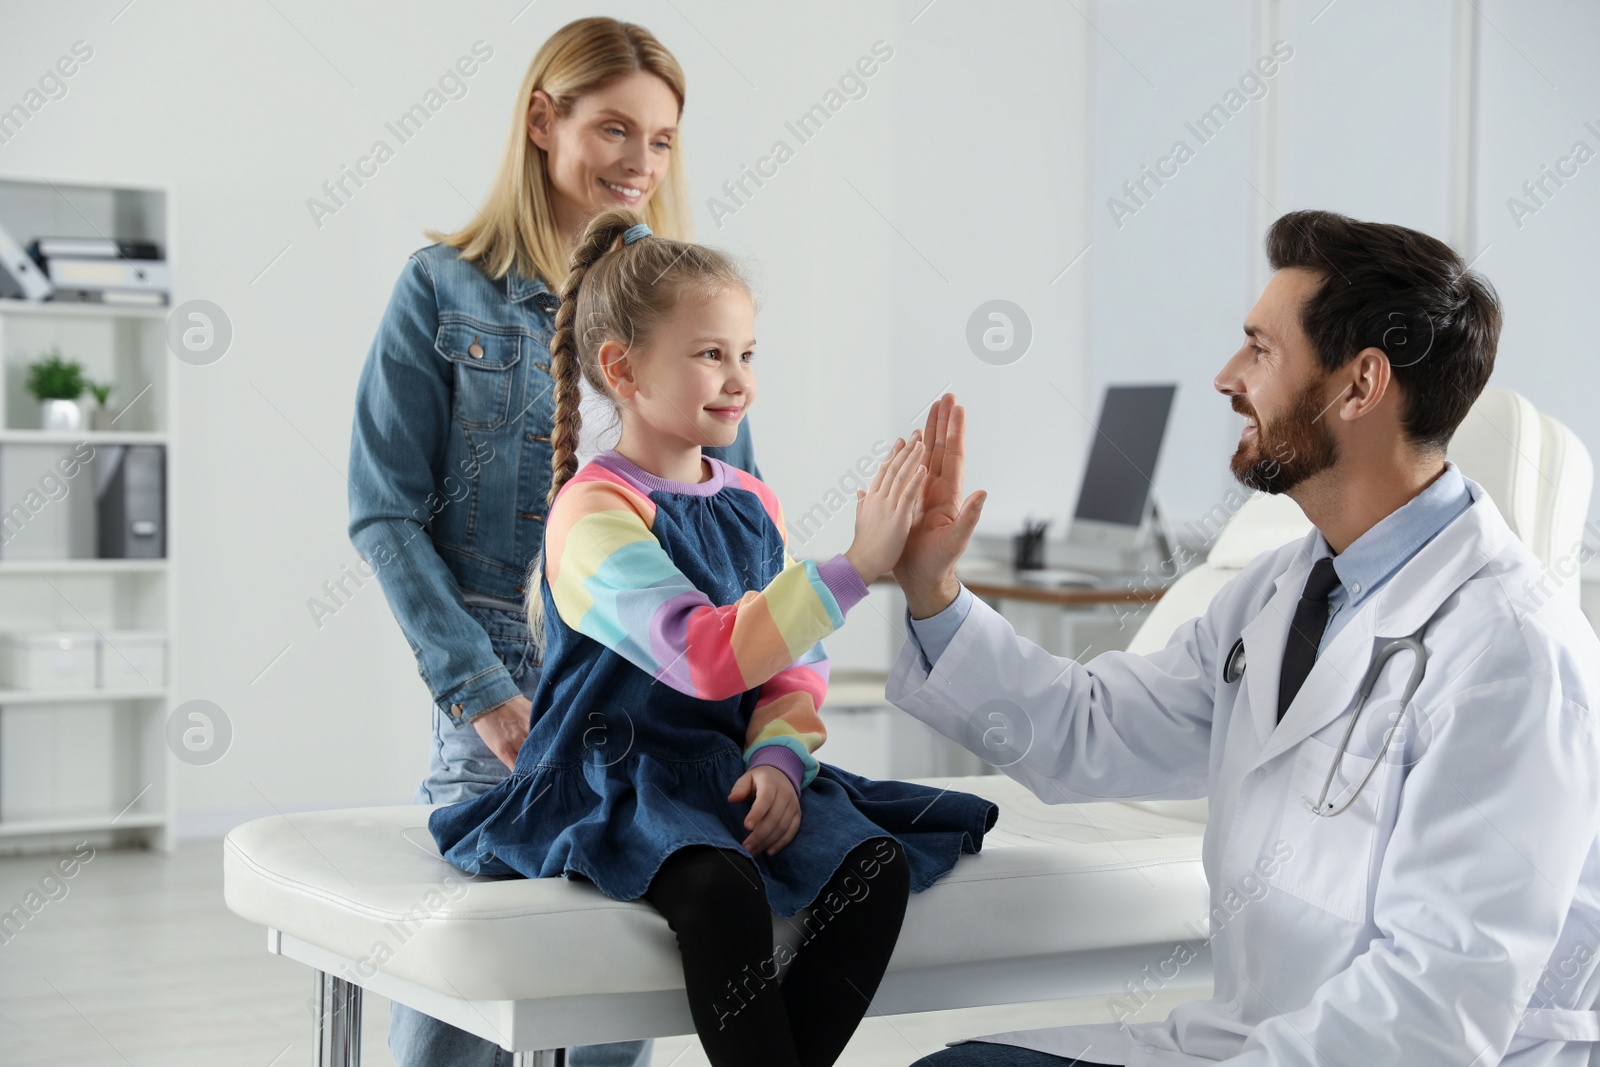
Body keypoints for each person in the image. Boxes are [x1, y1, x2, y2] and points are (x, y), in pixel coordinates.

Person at [892, 211, 1600, 1066]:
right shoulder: (1281, 589)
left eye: (1261, 349)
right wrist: (932, 590)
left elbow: (1436, 1006)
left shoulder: (1510, 649)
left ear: (1360, 385)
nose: (1229, 376)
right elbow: (1091, 731)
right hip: (1257, 1039)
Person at [428, 207, 1000, 1067]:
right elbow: (704, 652)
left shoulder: (749, 499)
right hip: (615, 777)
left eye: (746, 355)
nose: (738, 380)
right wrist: (855, 566)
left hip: (724, 774)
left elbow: (792, 665)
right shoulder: (592, 511)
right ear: (622, 368)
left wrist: (777, 760)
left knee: (876, 868)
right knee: (718, 886)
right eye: (710, 355)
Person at [346, 17, 758, 1067]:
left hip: (652, 707)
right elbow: (383, 508)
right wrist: (479, 690)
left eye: (661, 139)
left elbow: (733, 524)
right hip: (506, 706)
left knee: (614, 1016)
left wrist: (764, 721)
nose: (639, 162)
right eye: (615, 128)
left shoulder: (684, 307)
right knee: (455, 1028)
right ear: (542, 119)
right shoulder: (443, 289)